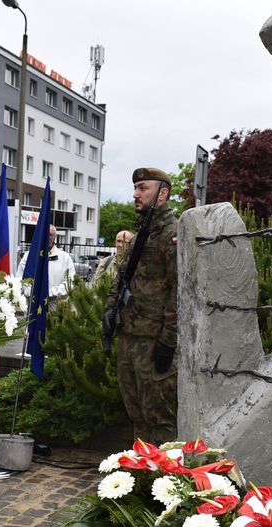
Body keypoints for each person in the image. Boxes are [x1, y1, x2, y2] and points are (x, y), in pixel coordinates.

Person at [104, 167, 178, 444]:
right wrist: (110, 314)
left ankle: (166, 480)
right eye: (135, 188)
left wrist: (168, 342)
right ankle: (142, 473)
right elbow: (121, 278)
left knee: (159, 417)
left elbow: (178, 291)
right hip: (130, 336)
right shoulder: (141, 235)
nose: (135, 194)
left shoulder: (172, 234)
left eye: (143, 188)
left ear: (162, 194)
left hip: (154, 339)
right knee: (136, 413)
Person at [16, 224, 76, 299]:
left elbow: (70, 283)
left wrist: (49, 293)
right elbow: (20, 279)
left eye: (50, 235)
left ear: (55, 237)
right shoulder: (29, 256)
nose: (47, 237)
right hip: (33, 305)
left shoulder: (65, 258)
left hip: (56, 307)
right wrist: (32, 293)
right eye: (45, 234)